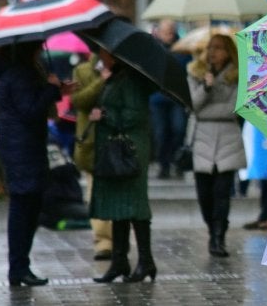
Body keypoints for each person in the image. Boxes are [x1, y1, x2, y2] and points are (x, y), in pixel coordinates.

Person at [0, 40, 76, 287]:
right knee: (24, 205)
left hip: (21, 145)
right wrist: (50, 89)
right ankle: (18, 267)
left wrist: (57, 90)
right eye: (37, 48)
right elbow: (30, 110)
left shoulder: (15, 72)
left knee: (29, 204)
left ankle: (20, 266)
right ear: (28, 50)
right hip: (21, 147)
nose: (40, 51)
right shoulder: (19, 74)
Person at [90, 47, 157, 284]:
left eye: (103, 53)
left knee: (135, 207)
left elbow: (133, 115)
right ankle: (120, 261)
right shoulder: (116, 78)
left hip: (131, 151)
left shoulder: (130, 80)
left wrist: (105, 116)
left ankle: (146, 261)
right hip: (118, 151)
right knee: (119, 207)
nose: (100, 57)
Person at [187, 33, 246, 257]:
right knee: (204, 193)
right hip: (202, 135)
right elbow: (193, 104)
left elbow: (233, 107)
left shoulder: (238, 75)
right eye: (211, 47)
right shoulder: (195, 72)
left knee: (222, 191)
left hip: (228, 135)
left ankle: (218, 236)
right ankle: (212, 229)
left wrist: (215, 95)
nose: (214, 52)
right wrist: (206, 87)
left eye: (220, 48)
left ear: (228, 51)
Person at [71, 53, 113, 261]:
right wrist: (101, 81)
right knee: (95, 192)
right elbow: (78, 100)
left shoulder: (124, 70)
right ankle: (103, 242)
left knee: (116, 192)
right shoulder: (83, 71)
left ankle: (119, 239)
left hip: (117, 142)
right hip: (92, 142)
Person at [149, 19, 190, 179]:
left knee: (178, 129)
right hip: (158, 98)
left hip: (177, 97)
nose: (169, 35)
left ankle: (177, 161)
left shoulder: (182, 48)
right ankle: (163, 165)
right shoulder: (153, 48)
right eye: (166, 32)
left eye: (171, 31)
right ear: (159, 32)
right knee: (161, 133)